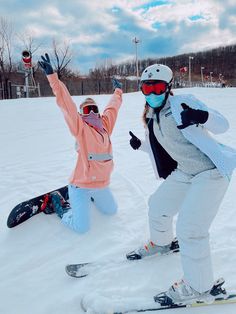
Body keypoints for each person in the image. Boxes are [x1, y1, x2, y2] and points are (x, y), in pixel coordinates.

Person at [127, 63, 236, 305]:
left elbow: (223, 124)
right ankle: (162, 243)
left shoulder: (183, 103)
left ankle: (200, 286)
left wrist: (201, 116)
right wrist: (142, 146)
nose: (152, 93)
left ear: (168, 87)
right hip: (185, 172)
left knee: (190, 228)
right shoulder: (150, 116)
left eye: (157, 87)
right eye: (147, 88)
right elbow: (166, 150)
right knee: (157, 206)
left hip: (210, 171)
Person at [38, 53, 123, 234]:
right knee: (82, 227)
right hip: (81, 185)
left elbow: (112, 107)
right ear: (82, 113)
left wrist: (118, 91)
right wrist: (53, 78)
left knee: (111, 210)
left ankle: (91, 199)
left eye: (94, 108)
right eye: (86, 109)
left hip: (101, 185)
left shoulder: (105, 126)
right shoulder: (81, 128)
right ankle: (60, 205)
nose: (91, 112)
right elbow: (66, 103)